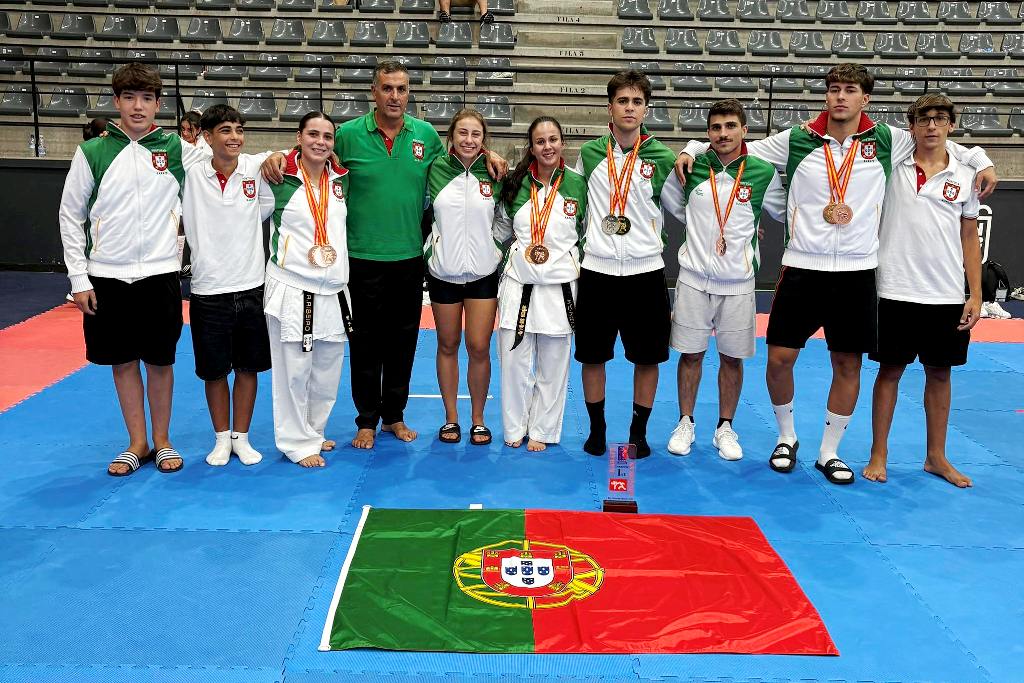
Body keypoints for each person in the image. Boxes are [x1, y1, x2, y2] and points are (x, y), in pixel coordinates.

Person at [676, 63, 997, 484]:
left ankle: (830, 451)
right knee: (779, 359)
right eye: (833, 90)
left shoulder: (886, 139)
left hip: (857, 273)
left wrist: (982, 159)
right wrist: (692, 147)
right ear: (825, 95)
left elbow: (937, 140)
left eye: (849, 90)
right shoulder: (797, 138)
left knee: (847, 364)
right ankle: (786, 437)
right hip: (802, 267)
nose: (840, 97)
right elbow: (734, 146)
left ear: (865, 99)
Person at [262, 60, 506, 451]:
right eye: (388, 88)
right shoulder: (349, 135)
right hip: (360, 257)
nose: (395, 96)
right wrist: (278, 156)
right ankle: (366, 420)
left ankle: (394, 415)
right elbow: (314, 151)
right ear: (373, 92)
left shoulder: (423, 134)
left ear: (409, 94)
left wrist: (489, 154)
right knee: (365, 342)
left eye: (402, 89)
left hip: (408, 257)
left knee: (403, 341)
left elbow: (461, 154)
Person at [58, 62, 208, 477]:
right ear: (117, 101)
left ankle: (162, 440)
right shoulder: (93, 151)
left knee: (161, 361)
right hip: (106, 276)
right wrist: (78, 278)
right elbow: (70, 216)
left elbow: (230, 159)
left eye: (146, 99)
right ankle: (136, 442)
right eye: (129, 98)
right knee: (122, 361)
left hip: (160, 275)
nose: (138, 107)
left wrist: (279, 159)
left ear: (158, 103)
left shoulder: (177, 149)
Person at [864, 94, 981, 488]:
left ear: (951, 125)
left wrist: (976, 294)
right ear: (911, 126)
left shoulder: (966, 176)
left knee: (940, 373)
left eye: (941, 119)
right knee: (890, 371)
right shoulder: (891, 165)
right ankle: (879, 453)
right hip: (894, 287)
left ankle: (936, 456)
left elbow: (970, 238)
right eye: (924, 119)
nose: (932, 126)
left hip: (946, 292)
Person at [660, 99, 786, 460]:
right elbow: (671, 202)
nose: (723, 134)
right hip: (694, 279)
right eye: (715, 127)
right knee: (691, 355)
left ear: (744, 131)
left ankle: (725, 427)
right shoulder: (691, 167)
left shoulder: (762, 173)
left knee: (732, 359)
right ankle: (686, 421)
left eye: (731, 126)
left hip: (738, 282)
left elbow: (785, 210)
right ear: (708, 133)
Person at [573, 70, 679, 459]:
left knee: (648, 357)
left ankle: (638, 431)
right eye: (623, 101)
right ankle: (597, 429)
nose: (629, 108)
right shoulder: (589, 154)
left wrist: (694, 149)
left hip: (645, 271)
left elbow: (684, 207)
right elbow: (573, 203)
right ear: (610, 107)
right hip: (598, 270)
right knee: (592, 355)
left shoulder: (663, 157)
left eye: (636, 102)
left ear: (646, 108)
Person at [182, 104, 272, 467]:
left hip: (251, 285)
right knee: (214, 370)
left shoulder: (254, 169)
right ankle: (221, 438)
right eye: (225, 130)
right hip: (207, 288)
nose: (234, 137)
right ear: (207, 137)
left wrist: (278, 155)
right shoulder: (190, 172)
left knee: (248, 368)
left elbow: (268, 197)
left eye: (238, 129)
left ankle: (242, 436)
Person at [259, 111, 351, 468]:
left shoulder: (341, 180)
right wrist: (274, 154)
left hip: (334, 289)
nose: (320, 142)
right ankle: (295, 441)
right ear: (298, 137)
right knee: (293, 371)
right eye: (313, 134)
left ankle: (313, 430)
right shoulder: (278, 177)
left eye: (327, 137)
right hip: (294, 288)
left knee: (328, 370)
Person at [494, 116, 588, 451]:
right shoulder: (516, 183)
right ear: (531, 147)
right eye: (540, 141)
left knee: (554, 364)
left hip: (560, 287)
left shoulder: (578, 184)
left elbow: (587, 232)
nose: (547, 147)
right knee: (514, 362)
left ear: (562, 143)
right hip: (519, 285)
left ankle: (544, 430)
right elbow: (500, 231)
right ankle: (514, 427)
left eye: (553, 139)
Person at [425, 109, 502, 446]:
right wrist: (432, 251)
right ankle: (451, 418)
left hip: (484, 274)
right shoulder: (434, 169)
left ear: (483, 140)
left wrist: (494, 246)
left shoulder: (495, 172)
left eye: (476, 135)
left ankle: (479, 419)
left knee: (479, 346)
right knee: (447, 344)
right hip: (443, 273)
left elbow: (507, 217)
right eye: (463, 133)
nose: (469, 140)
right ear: (452, 137)